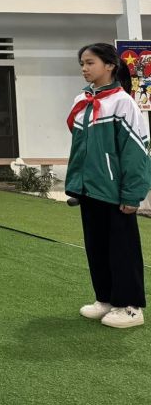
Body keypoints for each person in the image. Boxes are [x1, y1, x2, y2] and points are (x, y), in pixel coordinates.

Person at [68, 42, 151, 329]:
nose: (84, 68)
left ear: (110, 65)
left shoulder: (123, 102)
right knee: (96, 247)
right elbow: (80, 148)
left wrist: (132, 194)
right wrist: (77, 184)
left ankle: (130, 307)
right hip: (89, 190)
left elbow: (136, 152)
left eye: (90, 63)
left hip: (115, 192)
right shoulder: (82, 99)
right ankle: (105, 299)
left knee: (122, 249)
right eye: (82, 63)